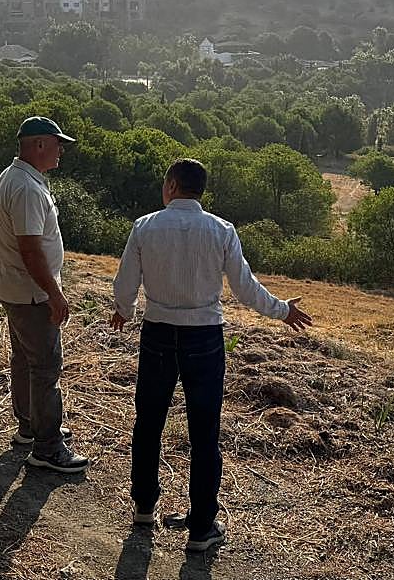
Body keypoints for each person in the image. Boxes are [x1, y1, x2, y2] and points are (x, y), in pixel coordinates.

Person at [111, 158, 313, 553]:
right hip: (204, 337)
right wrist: (282, 309)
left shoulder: (145, 226)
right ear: (199, 190)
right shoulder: (221, 230)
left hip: (157, 332)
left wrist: (124, 309)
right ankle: (201, 526)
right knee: (204, 432)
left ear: (171, 185)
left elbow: (125, 282)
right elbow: (244, 286)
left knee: (149, 420)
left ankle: (144, 505)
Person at [0, 116, 88, 474]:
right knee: (45, 367)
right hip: (31, 295)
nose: (62, 150)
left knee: (25, 360)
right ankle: (47, 447)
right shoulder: (27, 188)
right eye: (58, 143)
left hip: (14, 288)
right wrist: (54, 294)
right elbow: (31, 250)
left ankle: (30, 428)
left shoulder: (11, 177)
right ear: (38, 144)